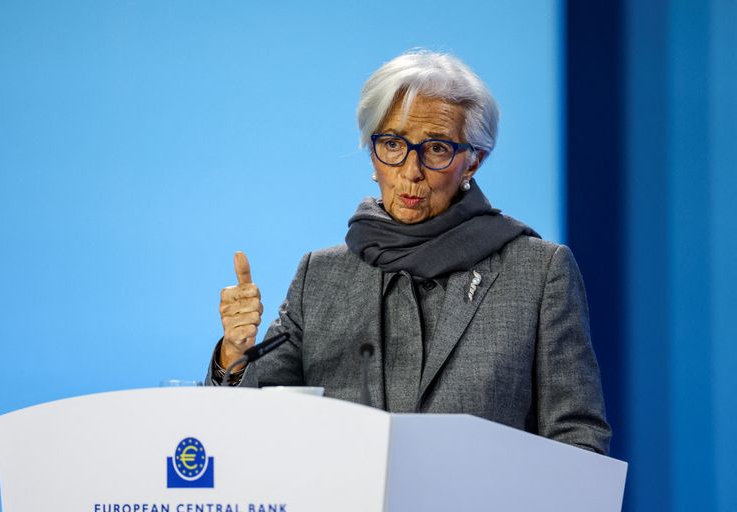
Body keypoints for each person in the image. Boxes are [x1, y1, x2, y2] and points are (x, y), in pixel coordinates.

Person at [209, 50, 611, 455]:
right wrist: (235, 355)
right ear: (372, 152)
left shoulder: (537, 274)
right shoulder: (321, 277)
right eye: (393, 144)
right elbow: (250, 429)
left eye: (436, 149)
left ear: (473, 161)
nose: (411, 171)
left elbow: (578, 441)